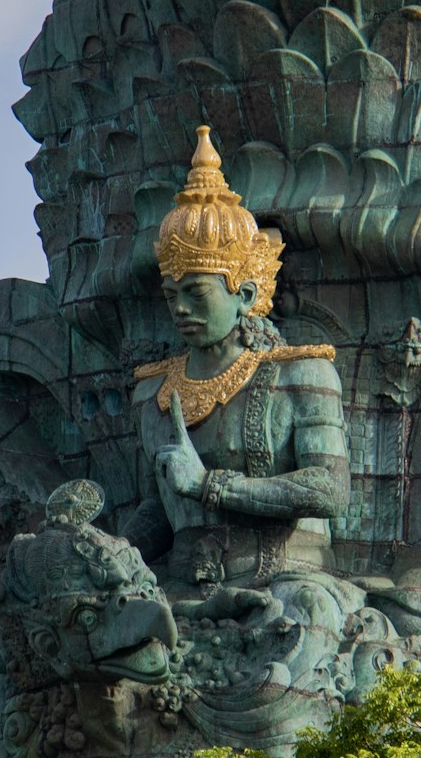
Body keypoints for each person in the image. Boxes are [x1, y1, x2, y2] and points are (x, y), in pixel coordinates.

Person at [131, 126, 350, 587]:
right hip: (184, 586)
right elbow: (158, 507)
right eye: (171, 296)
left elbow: (329, 489)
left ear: (245, 294)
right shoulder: (152, 392)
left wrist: (210, 486)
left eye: (196, 293)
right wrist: (106, 554)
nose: (180, 309)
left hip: (289, 580)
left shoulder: (302, 374)